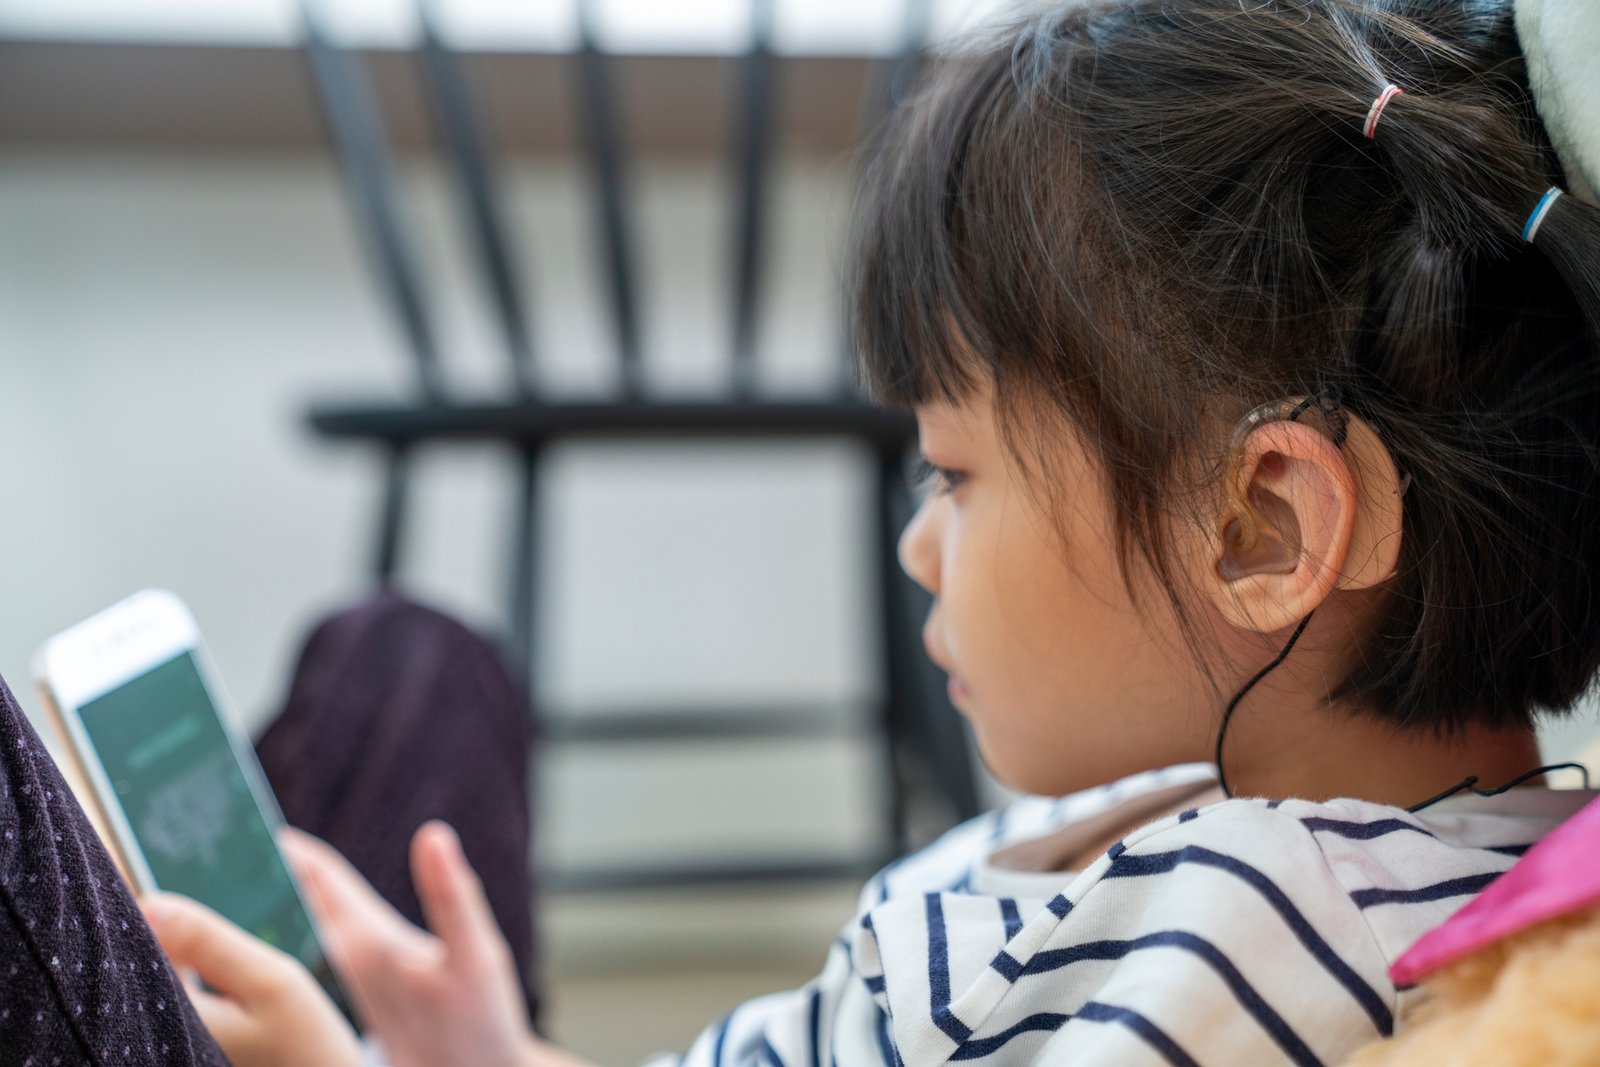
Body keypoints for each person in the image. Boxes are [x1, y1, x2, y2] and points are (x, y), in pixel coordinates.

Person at [140, 0, 1600, 1064]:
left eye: (955, 477)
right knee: (396, 656)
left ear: (1265, 527)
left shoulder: (1247, 945)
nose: (917, 545)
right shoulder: (1224, 832)